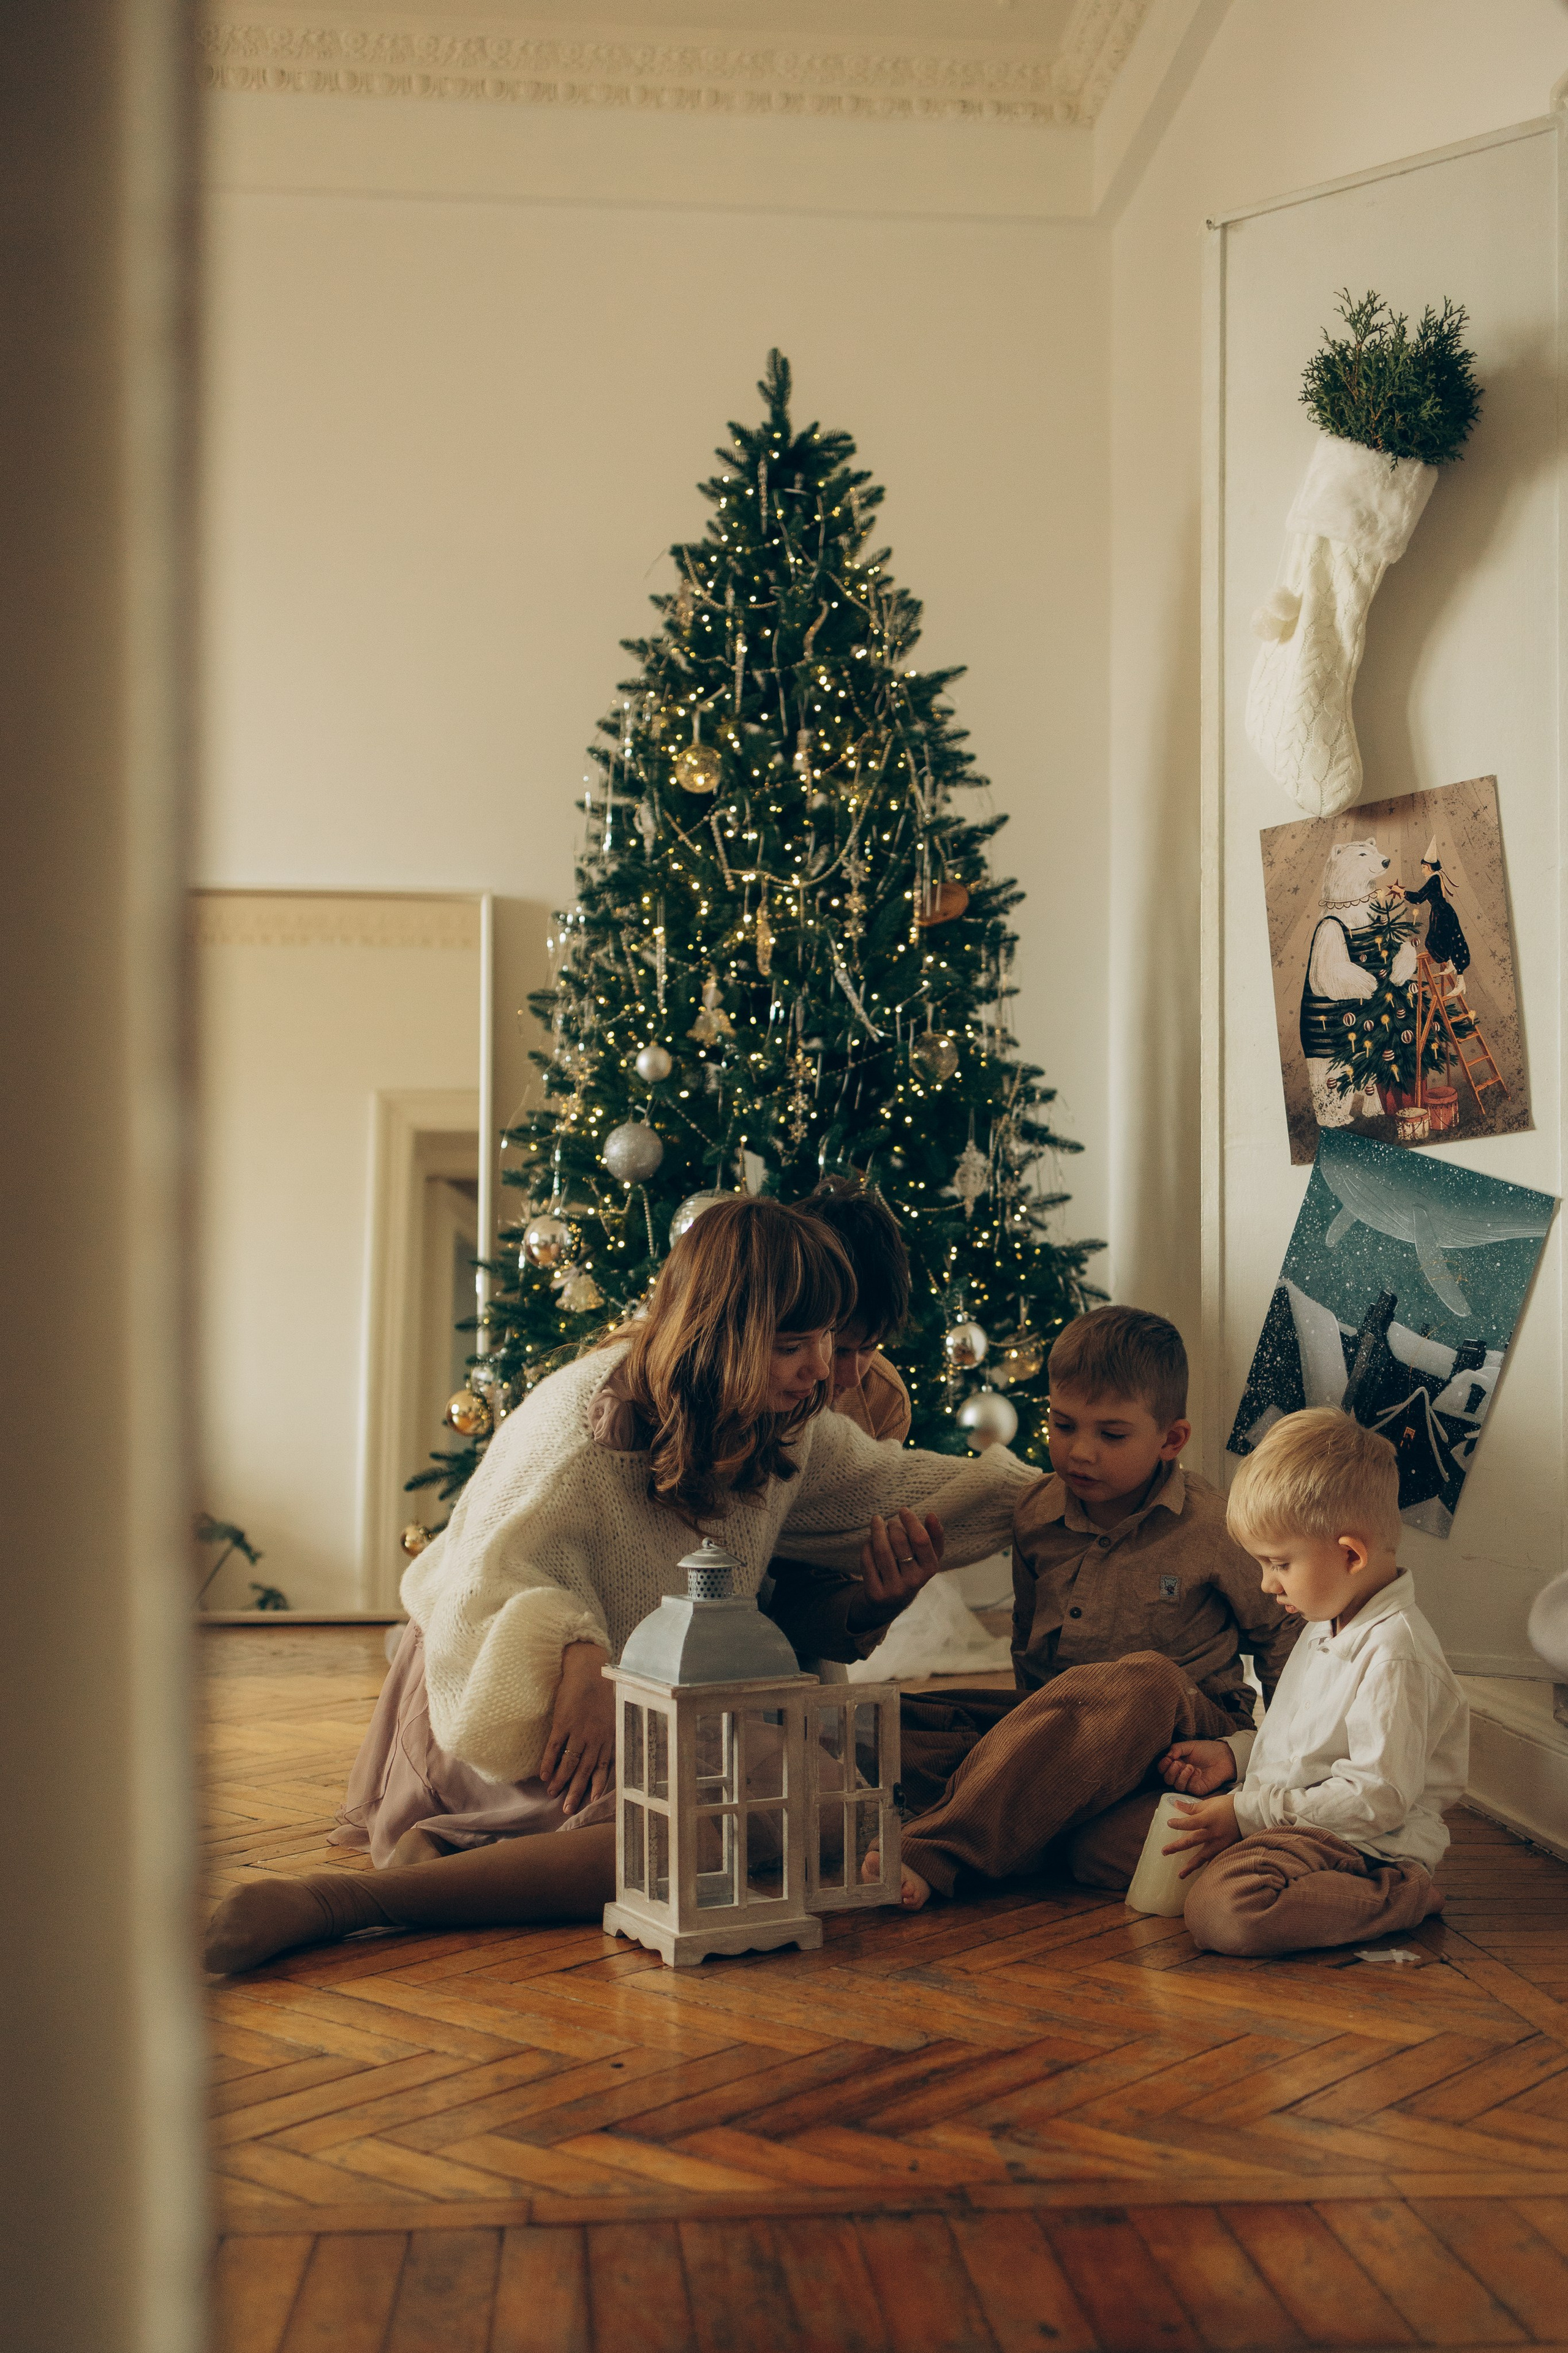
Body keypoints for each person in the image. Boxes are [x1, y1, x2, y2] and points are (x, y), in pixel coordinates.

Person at [205, 1195, 1035, 1974]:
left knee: (811, 1806)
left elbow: (902, 1485)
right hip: (509, 1691)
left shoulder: (787, 1426)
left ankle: (476, 1860)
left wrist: (1056, 1492)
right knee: (704, 1839)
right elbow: (472, 1586)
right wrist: (571, 1650)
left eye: (829, 1340)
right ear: (720, 1333)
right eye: (794, 1345)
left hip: (648, 1703)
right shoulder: (578, 1425)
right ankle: (357, 1899)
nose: (823, 1371)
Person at [867, 1304, 1300, 1909]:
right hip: (1057, 1730)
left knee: (1144, 1680)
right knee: (884, 1724)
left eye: (1111, 1434)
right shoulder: (1036, 1513)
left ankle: (936, 1846)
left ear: (1171, 1439)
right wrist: (1022, 1739)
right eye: (1063, 1424)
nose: (1080, 1452)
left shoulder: (1214, 1525)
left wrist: (1266, 1764)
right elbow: (1026, 1641)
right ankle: (1034, 1819)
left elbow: (1288, 1641)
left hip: (1181, 1735)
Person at [1163, 1407, 1466, 1955]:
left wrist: (1247, 1812)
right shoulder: (1325, 1617)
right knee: (1113, 1847)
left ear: (1350, 1554)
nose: (1265, 1582)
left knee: (1225, 1911)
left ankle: (1401, 1895)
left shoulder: (1396, 1654)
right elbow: (1307, 1747)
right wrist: (1235, 1755)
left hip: (1367, 1844)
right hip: (1292, 1820)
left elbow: (1377, 1798)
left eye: (1278, 1563)